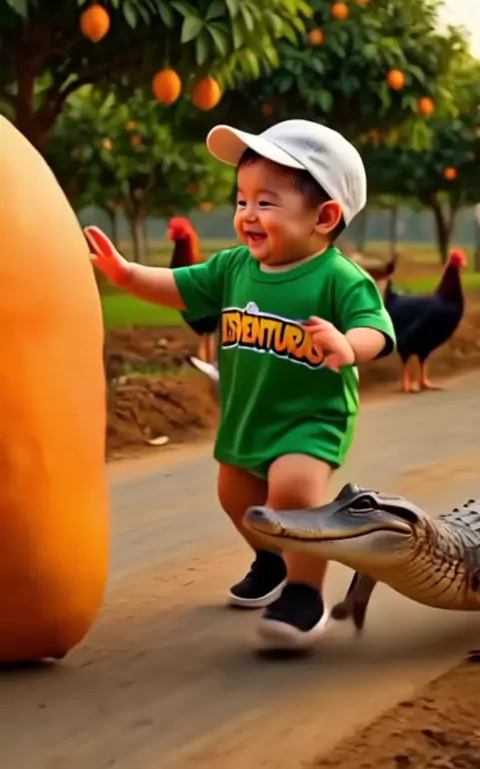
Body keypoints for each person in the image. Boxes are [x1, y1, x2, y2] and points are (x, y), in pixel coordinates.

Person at [84, 119, 396, 653]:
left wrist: (348, 345)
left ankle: (303, 596)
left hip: (310, 417)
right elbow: (177, 286)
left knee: (293, 493)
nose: (247, 214)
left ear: (324, 217)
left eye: (265, 202)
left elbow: (377, 329)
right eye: (242, 199)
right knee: (235, 496)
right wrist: (126, 273)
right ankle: (272, 560)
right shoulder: (233, 267)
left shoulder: (338, 277)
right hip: (247, 414)